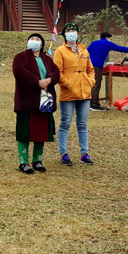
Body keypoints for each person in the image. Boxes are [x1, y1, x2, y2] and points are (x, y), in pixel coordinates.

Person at [12, 33, 61, 174]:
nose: (34, 41)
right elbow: (19, 72)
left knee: (41, 133)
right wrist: (38, 81)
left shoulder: (47, 59)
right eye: (31, 39)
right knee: (24, 133)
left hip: (44, 102)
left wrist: (49, 80)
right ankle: (23, 162)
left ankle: (37, 161)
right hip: (27, 101)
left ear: (41, 44)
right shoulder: (20, 57)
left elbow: (56, 72)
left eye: (37, 39)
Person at [53, 23, 95, 166]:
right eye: (69, 31)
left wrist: (90, 81)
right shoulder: (60, 51)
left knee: (82, 124)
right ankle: (63, 153)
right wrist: (68, 84)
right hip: (69, 92)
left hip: (84, 92)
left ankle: (85, 153)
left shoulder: (84, 50)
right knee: (65, 123)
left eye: (74, 30)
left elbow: (91, 69)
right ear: (64, 34)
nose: (72, 33)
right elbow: (58, 71)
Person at [87, 32, 128, 111]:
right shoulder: (107, 43)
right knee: (96, 84)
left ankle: (89, 102)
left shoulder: (94, 43)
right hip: (97, 65)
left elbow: (86, 52)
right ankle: (94, 105)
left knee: (90, 83)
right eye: (110, 38)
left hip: (88, 65)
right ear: (107, 37)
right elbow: (120, 48)